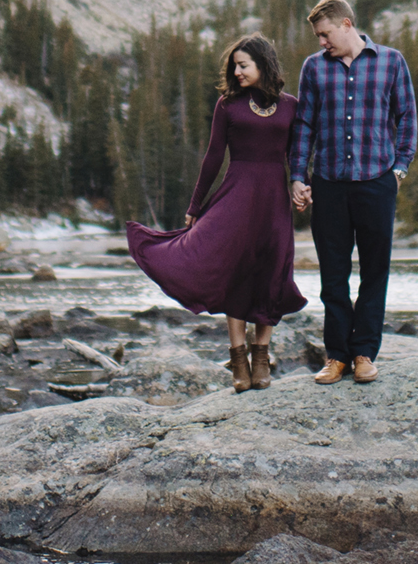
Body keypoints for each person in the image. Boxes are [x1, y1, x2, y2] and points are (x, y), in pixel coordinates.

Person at [124, 34, 308, 390]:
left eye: (243, 65)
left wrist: (303, 183)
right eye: (234, 66)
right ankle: (239, 360)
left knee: (272, 273)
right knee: (236, 272)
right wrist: (195, 206)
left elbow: (296, 155)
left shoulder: (291, 106)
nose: (237, 72)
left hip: (274, 202)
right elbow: (212, 157)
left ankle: (261, 357)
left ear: (263, 65)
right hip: (236, 197)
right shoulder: (228, 105)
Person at [286, 0, 418, 383]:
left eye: (325, 34)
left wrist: (399, 169)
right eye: (317, 36)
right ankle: (337, 356)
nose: (321, 42)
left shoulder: (391, 61)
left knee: (375, 271)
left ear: (345, 24)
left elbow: (407, 116)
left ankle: (364, 354)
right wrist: (298, 175)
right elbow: (305, 125)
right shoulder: (314, 68)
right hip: (329, 183)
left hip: (377, 182)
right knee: (333, 273)